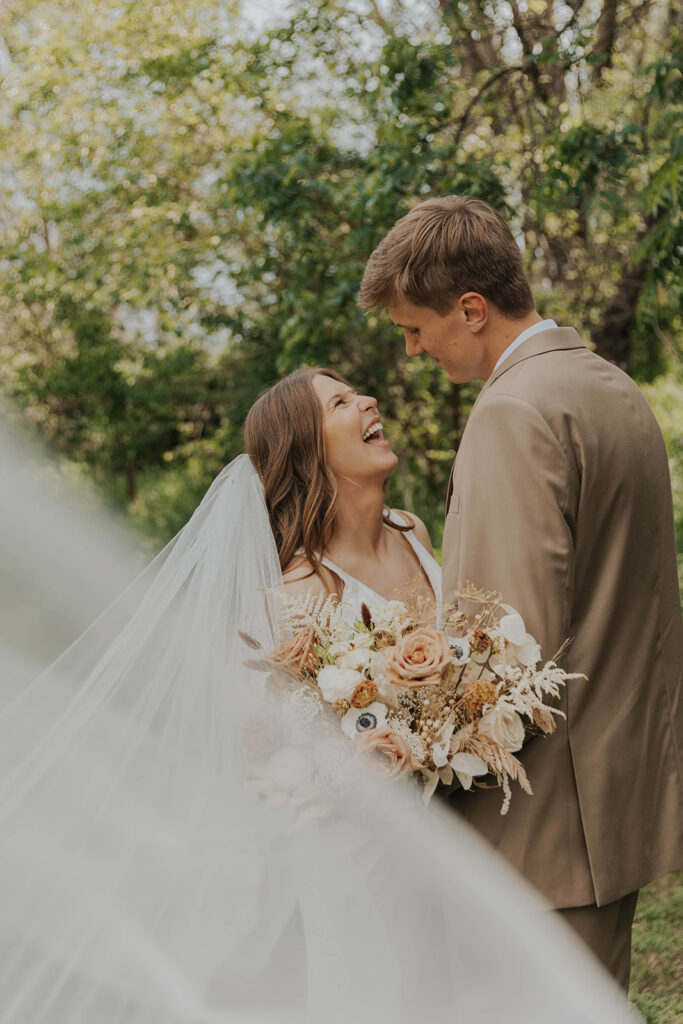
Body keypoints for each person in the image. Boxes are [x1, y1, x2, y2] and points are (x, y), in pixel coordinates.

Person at [0, 386, 637, 1024]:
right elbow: (280, 747)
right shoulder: (292, 595)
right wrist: (374, 756)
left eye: (356, 392)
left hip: (456, 821)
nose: (366, 401)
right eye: (338, 403)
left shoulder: (411, 531)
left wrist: (459, 725)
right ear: (309, 452)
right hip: (360, 851)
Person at [358, 193, 683, 990]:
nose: (411, 350)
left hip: (542, 828)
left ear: (469, 309)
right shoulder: (608, 387)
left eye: (414, 328)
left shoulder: (511, 411)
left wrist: (393, 735)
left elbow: (505, 643)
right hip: (616, 798)